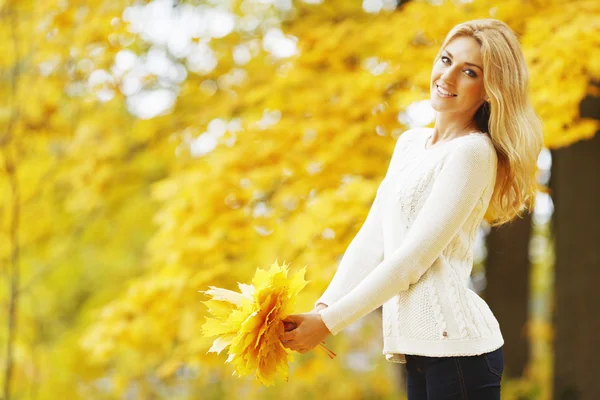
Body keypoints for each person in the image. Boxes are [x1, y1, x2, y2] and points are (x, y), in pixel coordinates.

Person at [280, 18, 543, 399]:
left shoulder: (472, 154)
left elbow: (411, 261)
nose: (447, 76)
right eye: (445, 59)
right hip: (418, 351)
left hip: (459, 355)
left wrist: (329, 323)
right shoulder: (409, 144)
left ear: (489, 90)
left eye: (468, 72)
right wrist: (324, 306)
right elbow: (372, 239)